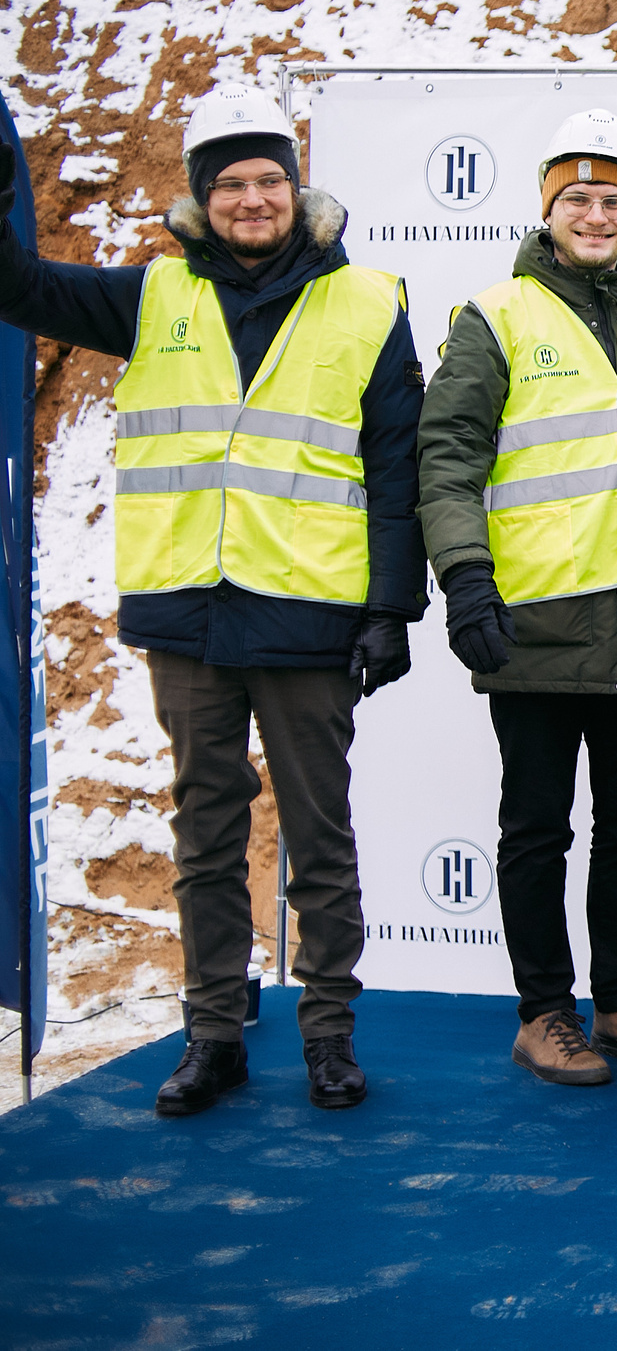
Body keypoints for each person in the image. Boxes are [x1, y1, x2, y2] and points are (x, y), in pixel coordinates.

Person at [0, 83, 422, 1116]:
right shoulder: (150, 296)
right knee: (205, 835)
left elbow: (395, 466)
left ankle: (329, 1034)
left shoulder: (368, 301)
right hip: (189, 613)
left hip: (310, 613)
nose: (252, 199)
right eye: (230, 183)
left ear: (296, 187)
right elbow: (18, 286)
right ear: (201, 196)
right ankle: (214, 1035)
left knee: (319, 837)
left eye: (269, 179)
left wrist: (389, 608)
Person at [418, 109, 617, 1088]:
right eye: (576, 199)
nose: (595, 215)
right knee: (536, 830)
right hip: (534, 620)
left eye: (613, 200)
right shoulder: (496, 315)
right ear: (548, 210)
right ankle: (544, 1013)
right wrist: (465, 579)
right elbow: (447, 457)